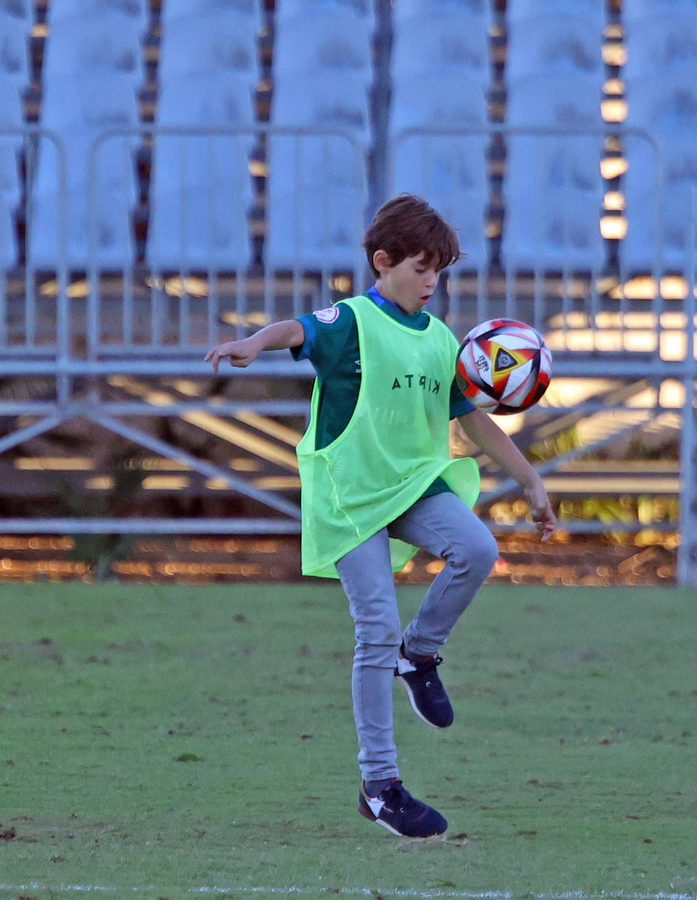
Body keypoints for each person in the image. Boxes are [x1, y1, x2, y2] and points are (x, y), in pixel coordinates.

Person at [205, 194, 558, 838]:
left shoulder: (441, 339)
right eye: (423, 269)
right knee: (373, 628)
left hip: (416, 486)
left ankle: (419, 656)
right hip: (351, 497)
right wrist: (252, 342)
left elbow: (471, 417)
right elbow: (296, 330)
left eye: (440, 272)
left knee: (477, 550)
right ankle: (381, 786)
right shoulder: (353, 321)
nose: (432, 283)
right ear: (383, 262)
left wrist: (530, 478)